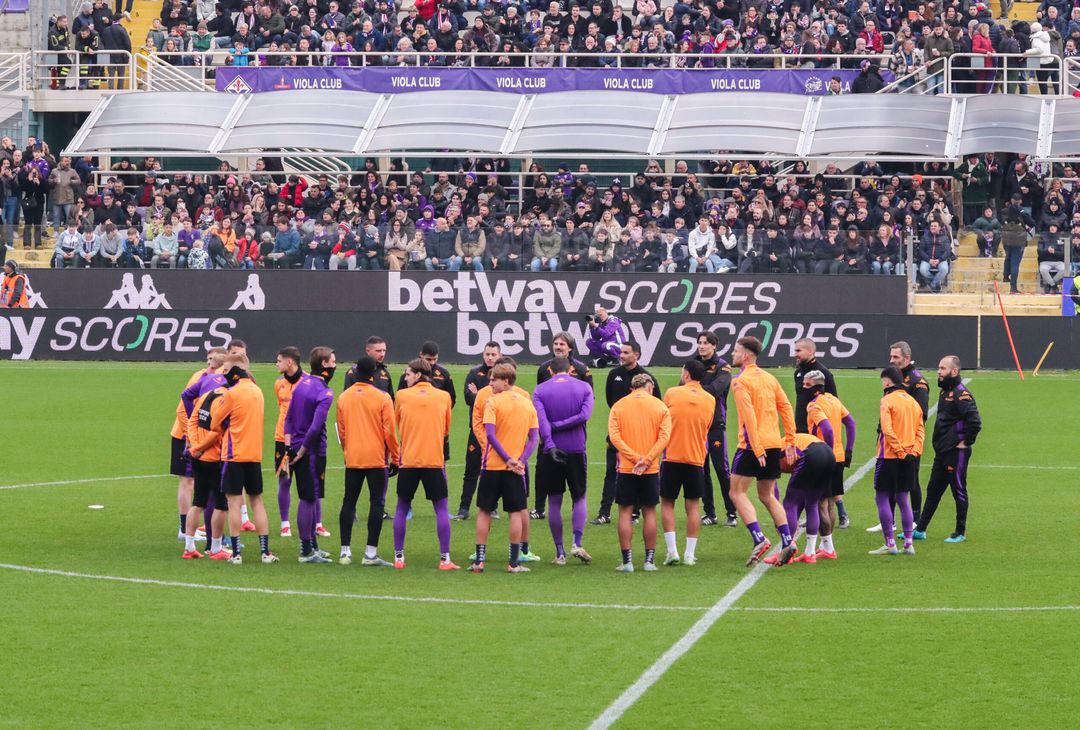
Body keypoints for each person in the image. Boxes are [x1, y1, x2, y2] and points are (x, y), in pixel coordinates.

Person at [729, 336, 799, 567]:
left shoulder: (740, 382)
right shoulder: (770, 378)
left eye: (736, 351)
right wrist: (789, 439)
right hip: (773, 443)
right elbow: (786, 407)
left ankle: (759, 538)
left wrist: (756, 448)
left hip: (753, 445)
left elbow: (748, 416)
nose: (733, 354)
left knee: (736, 492)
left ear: (746, 356)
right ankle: (788, 541)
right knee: (767, 495)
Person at [208, 354, 279, 564]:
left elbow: (214, 423)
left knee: (234, 502)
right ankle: (265, 552)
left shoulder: (231, 394)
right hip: (254, 454)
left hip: (233, 454)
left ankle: (237, 553)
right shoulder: (258, 391)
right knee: (256, 500)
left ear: (234, 371)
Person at [470, 363, 540, 574]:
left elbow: (489, 434)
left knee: (484, 510)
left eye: (494, 380)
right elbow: (534, 438)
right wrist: (520, 460)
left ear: (506, 381)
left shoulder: (492, 402)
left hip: (492, 465)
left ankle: (479, 561)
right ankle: (513, 563)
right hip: (515, 469)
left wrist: (508, 459)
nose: (490, 383)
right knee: (515, 513)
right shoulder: (528, 404)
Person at [393, 358, 457, 570]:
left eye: (408, 373)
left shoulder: (402, 396)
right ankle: (445, 559)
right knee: (441, 509)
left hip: (409, 459)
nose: (405, 377)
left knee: (402, 507)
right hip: (434, 460)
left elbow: (398, 422)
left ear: (418, 374)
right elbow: (446, 429)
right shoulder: (444, 397)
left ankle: (399, 558)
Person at [335, 355, 399, 567]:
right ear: (373, 373)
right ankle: (370, 553)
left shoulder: (344, 397)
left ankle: (345, 551)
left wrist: (348, 450)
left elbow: (341, 431)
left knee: (348, 501)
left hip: (353, 457)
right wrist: (395, 457)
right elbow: (389, 432)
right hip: (376, 459)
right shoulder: (382, 398)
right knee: (377, 502)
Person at [533, 356, 595, 566]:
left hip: (552, 451)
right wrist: (563, 424)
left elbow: (542, 423)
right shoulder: (584, 388)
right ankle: (576, 543)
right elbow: (585, 415)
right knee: (579, 497)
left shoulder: (540, 391)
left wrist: (550, 442)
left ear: (550, 371)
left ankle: (559, 553)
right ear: (570, 370)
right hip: (577, 449)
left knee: (554, 501)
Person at [609, 373, 671, 573]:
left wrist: (634, 458)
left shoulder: (619, 406)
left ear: (632, 388)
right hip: (650, 468)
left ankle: (627, 562)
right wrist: (647, 459)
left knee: (625, 512)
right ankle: (649, 561)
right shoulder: (660, 406)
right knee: (649, 512)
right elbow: (664, 437)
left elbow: (615, 437)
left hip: (627, 467)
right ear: (650, 387)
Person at [915, 356, 981, 543]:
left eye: (942, 368)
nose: (938, 371)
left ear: (954, 371)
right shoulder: (945, 392)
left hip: (956, 453)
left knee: (958, 490)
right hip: (942, 452)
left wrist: (966, 442)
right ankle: (920, 529)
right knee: (933, 489)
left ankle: (960, 532)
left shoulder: (961, 394)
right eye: (939, 367)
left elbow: (975, 421)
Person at [593, 341, 661, 525]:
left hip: (641, 437)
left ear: (636, 355)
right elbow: (610, 402)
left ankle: (634, 512)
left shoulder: (647, 378)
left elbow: (658, 407)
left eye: (625, 352)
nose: (621, 355)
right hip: (616, 435)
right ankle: (604, 512)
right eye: (621, 352)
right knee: (610, 472)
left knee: (637, 473)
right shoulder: (614, 374)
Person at [868, 341, 931, 533]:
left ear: (906, 357)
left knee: (911, 481)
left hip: (908, 442)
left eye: (895, 357)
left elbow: (922, 415)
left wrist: (909, 445)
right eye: (891, 356)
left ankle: (915, 520)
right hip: (888, 440)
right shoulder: (893, 378)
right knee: (890, 482)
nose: (892, 360)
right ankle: (890, 520)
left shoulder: (917, 382)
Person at [284, 347, 337, 564]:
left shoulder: (301, 385)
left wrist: (289, 448)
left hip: (295, 447)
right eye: (333, 361)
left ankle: (313, 545)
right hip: (312, 452)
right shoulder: (325, 392)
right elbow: (316, 428)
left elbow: (287, 419)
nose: (335, 364)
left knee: (312, 497)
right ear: (324, 364)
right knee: (308, 499)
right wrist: (303, 451)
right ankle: (306, 550)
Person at [659, 360, 714, 567]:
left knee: (667, 503)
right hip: (696, 458)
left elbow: (663, 420)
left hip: (672, 456)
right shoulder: (710, 399)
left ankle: (672, 551)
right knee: (693, 506)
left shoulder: (672, 393)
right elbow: (707, 426)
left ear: (687, 374)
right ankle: (689, 555)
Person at [532, 331, 592, 520]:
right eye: (556, 343)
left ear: (570, 348)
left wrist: (555, 425)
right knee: (541, 468)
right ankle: (539, 507)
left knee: (576, 475)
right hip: (547, 431)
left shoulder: (582, 369)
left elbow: (588, 402)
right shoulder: (543, 368)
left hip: (573, 432)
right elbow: (538, 401)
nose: (558, 347)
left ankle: (577, 509)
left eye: (562, 344)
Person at [169, 348, 226, 542]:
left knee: (201, 483)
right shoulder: (200, 378)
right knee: (188, 481)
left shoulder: (214, 379)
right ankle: (184, 529)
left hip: (200, 437)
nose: (209, 365)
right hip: (185, 436)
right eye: (208, 361)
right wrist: (191, 435)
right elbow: (182, 411)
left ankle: (201, 530)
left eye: (212, 362)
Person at [792, 338, 849, 530]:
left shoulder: (824, 373)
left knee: (822, 481)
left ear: (811, 352)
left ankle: (840, 513)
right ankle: (812, 513)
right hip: (801, 430)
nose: (795, 353)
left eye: (799, 350)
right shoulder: (798, 372)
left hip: (820, 436)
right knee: (808, 478)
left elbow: (833, 403)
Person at [801, 370, 855, 561]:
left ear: (816, 387)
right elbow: (851, 423)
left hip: (823, 457)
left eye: (807, 385)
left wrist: (828, 452)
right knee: (830, 501)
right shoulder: (833, 399)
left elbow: (827, 429)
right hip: (839, 457)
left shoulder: (814, 406)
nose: (803, 388)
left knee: (820, 504)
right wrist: (848, 450)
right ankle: (827, 547)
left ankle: (825, 547)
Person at [870, 366, 924, 556]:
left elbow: (887, 429)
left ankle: (890, 543)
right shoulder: (913, 402)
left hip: (889, 456)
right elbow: (920, 430)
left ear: (887, 381)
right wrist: (913, 452)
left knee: (882, 497)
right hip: (909, 457)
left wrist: (900, 451)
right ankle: (909, 544)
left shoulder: (886, 401)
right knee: (903, 498)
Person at [183, 379, 231, 560]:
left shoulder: (205, 396)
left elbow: (192, 421)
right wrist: (200, 447)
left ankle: (189, 547)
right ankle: (216, 549)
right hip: (214, 458)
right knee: (221, 504)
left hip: (198, 459)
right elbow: (216, 431)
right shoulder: (226, 400)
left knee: (198, 502)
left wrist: (194, 446)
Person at [453, 341, 500, 520]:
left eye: (493, 355)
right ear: (483, 354)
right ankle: (464, 508)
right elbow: (467, 398)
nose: (490, 357)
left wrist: (478, 394)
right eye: (487, 354)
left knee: (494, 470)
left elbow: (499, 400)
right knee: (471, 469)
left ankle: (492, 507)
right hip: (476, 429)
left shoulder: (502, 375)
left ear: (499, 355)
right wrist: (484, 396)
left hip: (497, 430)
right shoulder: (474, 373)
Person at [694, 330, 736, 527]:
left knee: (721, 468)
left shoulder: (723, 367)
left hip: (715, 424)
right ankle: (709, 512)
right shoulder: (692, 364)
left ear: (714, 346)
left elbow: (715, 390)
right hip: (696, 425)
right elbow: (680, 387)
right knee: (701, 470)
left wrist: (692, 388)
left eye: (705, 343)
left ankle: (732, 512)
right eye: (700, 342)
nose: (702, 346)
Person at [778, 433, 835, 565]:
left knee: (790, 503)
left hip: (812, 454)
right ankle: (810, 553)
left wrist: (781, 518)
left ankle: (785, 550)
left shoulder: (774, 454)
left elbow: (771, 491)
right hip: (829, 454)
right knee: (812, 503)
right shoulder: (780, 447)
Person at [273, 346, 303, 538]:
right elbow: (281, 408)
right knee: (284, 480)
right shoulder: (279, 384)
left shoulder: (307, 381)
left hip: (301, 439)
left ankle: (316, 522)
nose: (276, 364)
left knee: (308, 483)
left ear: (289, 362)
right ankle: (285, 523)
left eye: (279, 360)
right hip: (281, 439)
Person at [395, 340, 456, 406]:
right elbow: (400, 399)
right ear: (421, 354)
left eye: (435, 359)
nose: (432, 363)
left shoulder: (444, 373)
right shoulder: (409, 373)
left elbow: (451, 399)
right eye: (429, 359)